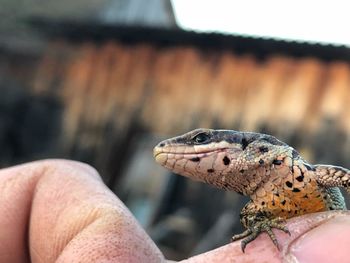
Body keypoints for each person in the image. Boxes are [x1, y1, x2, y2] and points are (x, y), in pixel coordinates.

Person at [0, 160, 349, 263]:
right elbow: (254, 220)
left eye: (199, 141)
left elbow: (338, 177)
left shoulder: (304, 170)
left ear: (243, 146)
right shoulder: (257, 206)